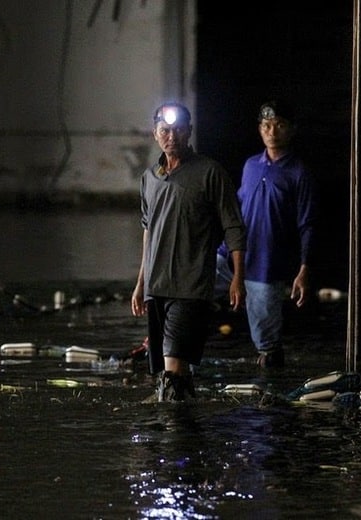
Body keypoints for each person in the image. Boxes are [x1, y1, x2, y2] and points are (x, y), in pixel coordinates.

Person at [131, 102, 246, 402]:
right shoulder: (150, 179)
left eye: (179, 129)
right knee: (172, 372)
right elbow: (149, 231)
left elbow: (233, 226)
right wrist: (140, 283)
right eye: (165, 130)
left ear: (190, 132)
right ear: (155, 134)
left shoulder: (210, 173)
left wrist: (238, 278)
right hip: (156, 286)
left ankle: (171, 437)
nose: (172, 136)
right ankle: (185, 433)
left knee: (172, 366)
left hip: (191, 286)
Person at [216, 99, 319, 368]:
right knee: (190, 284)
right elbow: (238, 209)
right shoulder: (251, 165)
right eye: (266, 126)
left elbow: (307, 223)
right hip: (231, 256)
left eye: (279, 125)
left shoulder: (299, 173)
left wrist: (304, 268)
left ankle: (271, 392)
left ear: (291, 129)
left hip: (267, 266)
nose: (272, 132)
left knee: (267, 344)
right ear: (259, 129)